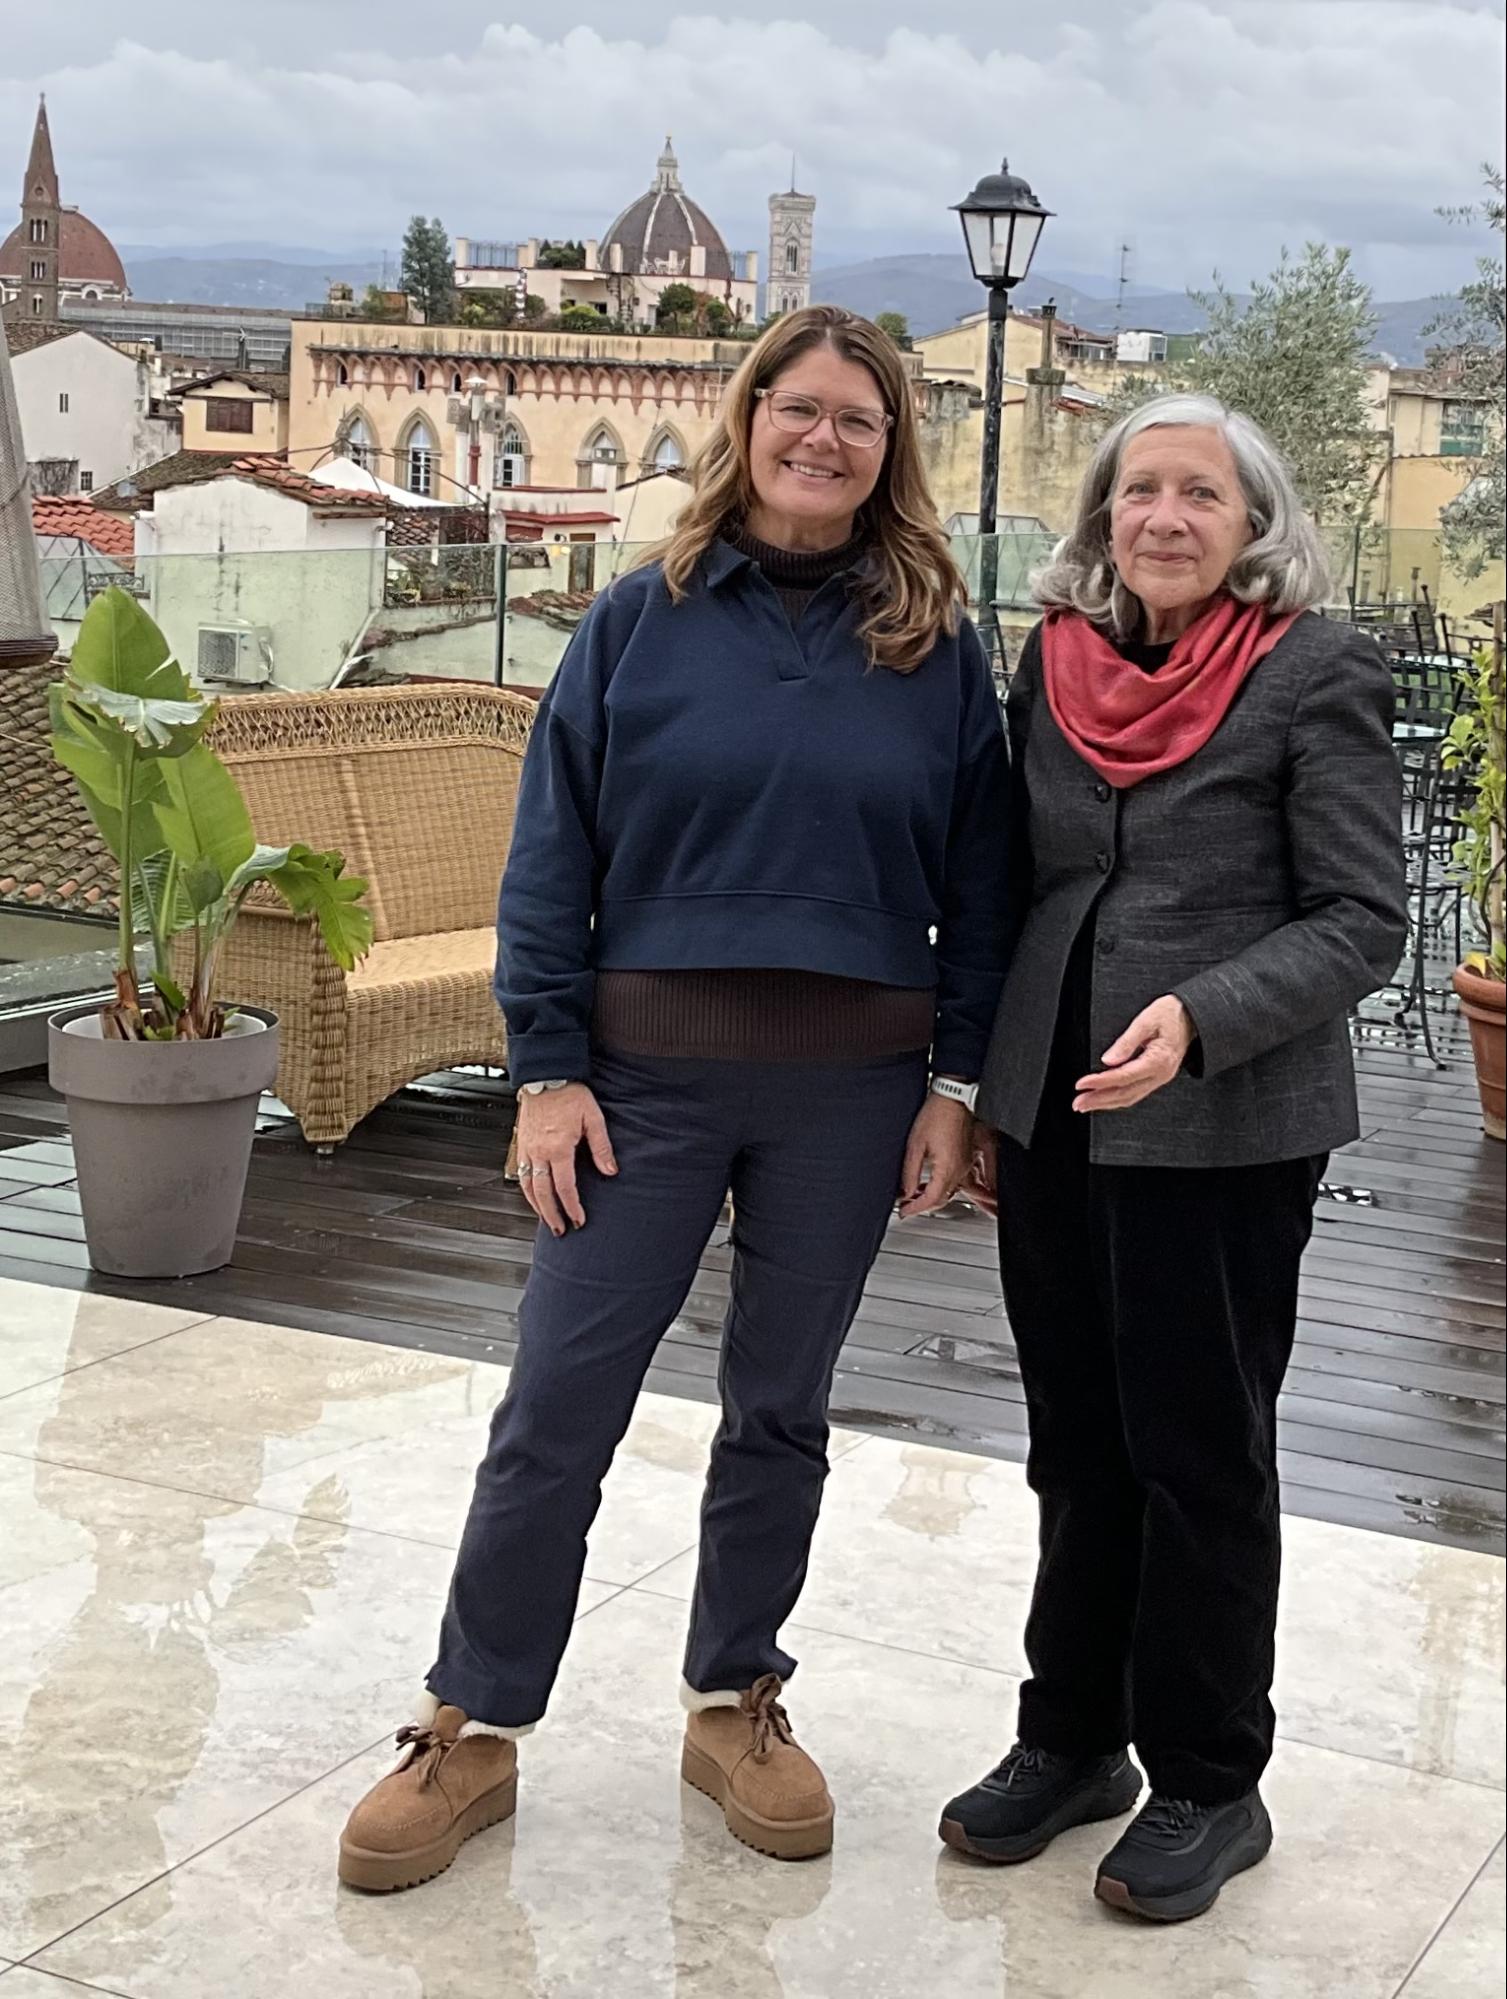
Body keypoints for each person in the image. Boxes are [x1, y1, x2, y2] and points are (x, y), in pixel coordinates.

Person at [338, 304, 1011, 1891]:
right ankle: (470, 1722)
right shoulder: (641, 617)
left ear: (890, 449)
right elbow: (548, 856)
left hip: (853, 1091)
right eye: (799, 407)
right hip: (638, 1085)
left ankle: (734, 1699)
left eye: (859, 418)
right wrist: (547, 1070)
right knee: (556, 1405)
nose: (824, 437)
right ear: (749, 418)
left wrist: (956, 1086)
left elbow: (985, 886)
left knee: (781, 1406)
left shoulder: (936, 646)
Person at [938, 394, 1407, 1922]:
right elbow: (1016, 878)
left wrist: (1202, 1019)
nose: (1165, 517)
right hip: (1056, 1105)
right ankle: (1073, 1737)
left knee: (1200, 1448)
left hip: (1225, 1125)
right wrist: (984, 1088)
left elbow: (1362, 921)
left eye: (1201, 493)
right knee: (1076, 1438)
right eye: (1140, 489)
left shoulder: (1315, 669)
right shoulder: (1057, 658)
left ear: (1253, 522)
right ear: (1103, 515)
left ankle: (1210, 1774)